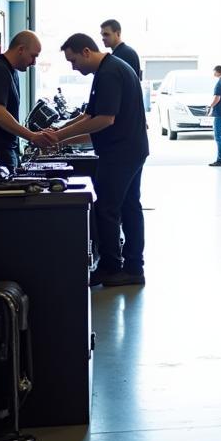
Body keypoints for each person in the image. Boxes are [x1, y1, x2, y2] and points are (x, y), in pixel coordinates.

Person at [48, 33, 149, 287]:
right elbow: (89, 115)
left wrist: (59, 136)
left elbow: (105, 119)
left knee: (107, 209)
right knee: (128, 207)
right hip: (129, 149)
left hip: (121, 152)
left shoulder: (109, 73)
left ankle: (112, 269)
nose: (73, 67)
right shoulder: (107, 70)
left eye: (73, 61)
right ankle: (133, 268)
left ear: (86, 52)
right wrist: (59, 132)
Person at [0, 30, 52, 169]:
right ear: (21, 49)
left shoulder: (11, 71)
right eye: (33, 56)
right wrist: (31, 136)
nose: (34, 62)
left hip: (6, 149)